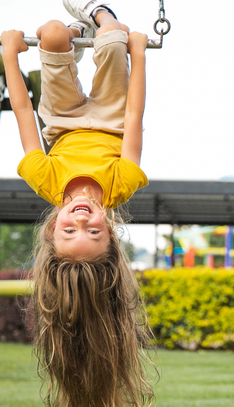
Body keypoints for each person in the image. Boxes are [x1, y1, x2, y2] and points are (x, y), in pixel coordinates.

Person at [2, 0, 155, 404]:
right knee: (112, 36)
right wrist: (137, 55)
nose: (81, 220)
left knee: (50, 32)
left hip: (63, 120)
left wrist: (9, 55)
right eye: (94, 231)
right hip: (112, 117)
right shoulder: (122, 183)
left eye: (70, 230)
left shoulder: (46, 180)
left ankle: (69, 42)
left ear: (53, 228)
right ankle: (99, 13)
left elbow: (23, 111)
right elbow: (136, 115)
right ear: (111, 233)